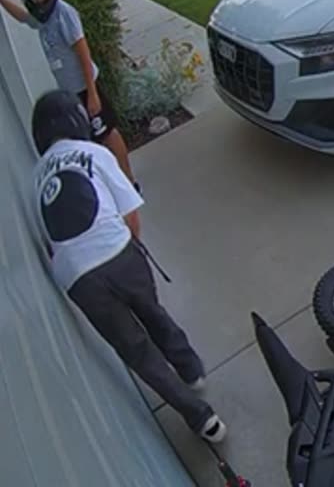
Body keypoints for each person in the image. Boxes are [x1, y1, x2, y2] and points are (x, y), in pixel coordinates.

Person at [29, 90, 227, 444]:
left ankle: (203, 420)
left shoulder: (35, 179)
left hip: (78, 280)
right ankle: (190, 369)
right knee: (152, 311)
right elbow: (130, 214)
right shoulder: (94, 153)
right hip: (116, 252)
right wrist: (130, 249)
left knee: (136, 351)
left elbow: (51, 239)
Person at [2, 0, 137, 186]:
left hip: (86, 87)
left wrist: (92, 94)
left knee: (107, 133)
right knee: (91, 139)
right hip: (71, 92)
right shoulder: (42, 19)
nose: (36, 0)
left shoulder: (63, 14)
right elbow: (23, 18)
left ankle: (130, 182)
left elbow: (83, 54)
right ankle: (110, 182)